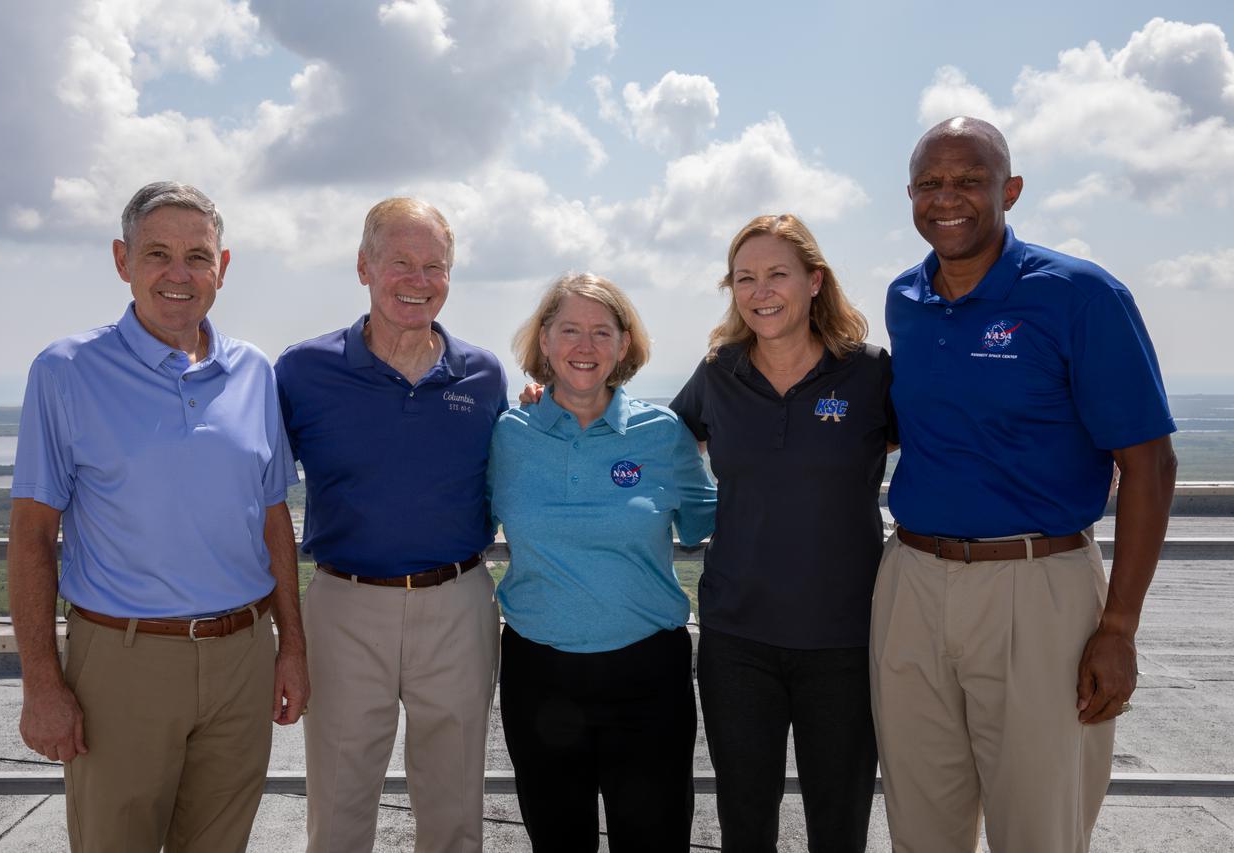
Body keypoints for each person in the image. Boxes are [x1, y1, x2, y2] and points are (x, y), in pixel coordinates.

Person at [872, 116, 1178, 853]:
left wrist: (1119, 627)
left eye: (969, 181)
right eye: (931, 184)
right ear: (910, 195)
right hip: (911, 582)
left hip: (1038, 587)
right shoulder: (904, 300)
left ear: (1008, 190)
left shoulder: (1081, 295)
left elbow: (1150, 465)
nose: (948, 198)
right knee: (921, 828)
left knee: (1040, 830)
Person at [7, 181, 308, 853]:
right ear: (122, 260)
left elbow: (272, 520)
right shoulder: (65, 371)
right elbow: (31, 536)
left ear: (222, 268)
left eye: (198, 256)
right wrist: (41, 682)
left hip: (241, 662)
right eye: (157, 254)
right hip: (122, 664)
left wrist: (291, 645)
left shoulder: (254, 372)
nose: (180, 274)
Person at [275, 198, 506, 853]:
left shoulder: (484, 374)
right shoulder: (301, 371)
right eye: (400, 261)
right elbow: (250, 486)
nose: (418, 278)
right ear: (363, 266)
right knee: (340, 808)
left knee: (456, 809)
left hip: (459, 601)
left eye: (434, 264)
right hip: (345, 605)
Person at [670, 214, 895, 852]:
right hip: (737, 638)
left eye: (777, 274)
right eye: (745, 278)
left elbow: (945, 435)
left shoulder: (869, 373)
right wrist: (558, 404)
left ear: (815, 281)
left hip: (845, 640)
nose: (760, 290)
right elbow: (658, 440)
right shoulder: (719, 372)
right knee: (744, 820)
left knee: (840, 820)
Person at [487, 273, 717, 852]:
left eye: (601, 332)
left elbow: (708, 518)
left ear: (623, 344)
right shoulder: (507, 435)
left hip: (647, 678)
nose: (584, 347)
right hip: (539, 676)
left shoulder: (663, 434)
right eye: (569, 330)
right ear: (543, 341)